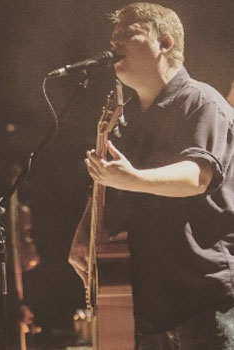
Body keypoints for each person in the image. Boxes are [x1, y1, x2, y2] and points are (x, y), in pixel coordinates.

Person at [68, 3, 234, 349]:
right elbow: (108, 182)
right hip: (148, 308)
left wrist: (132, 178)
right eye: (113, 37)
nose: (114, 44)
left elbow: (197, 176)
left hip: (205, 302)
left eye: (128, 35)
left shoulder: (202, 101)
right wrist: (85, 233)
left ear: (166, 43)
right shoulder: (125, 119)